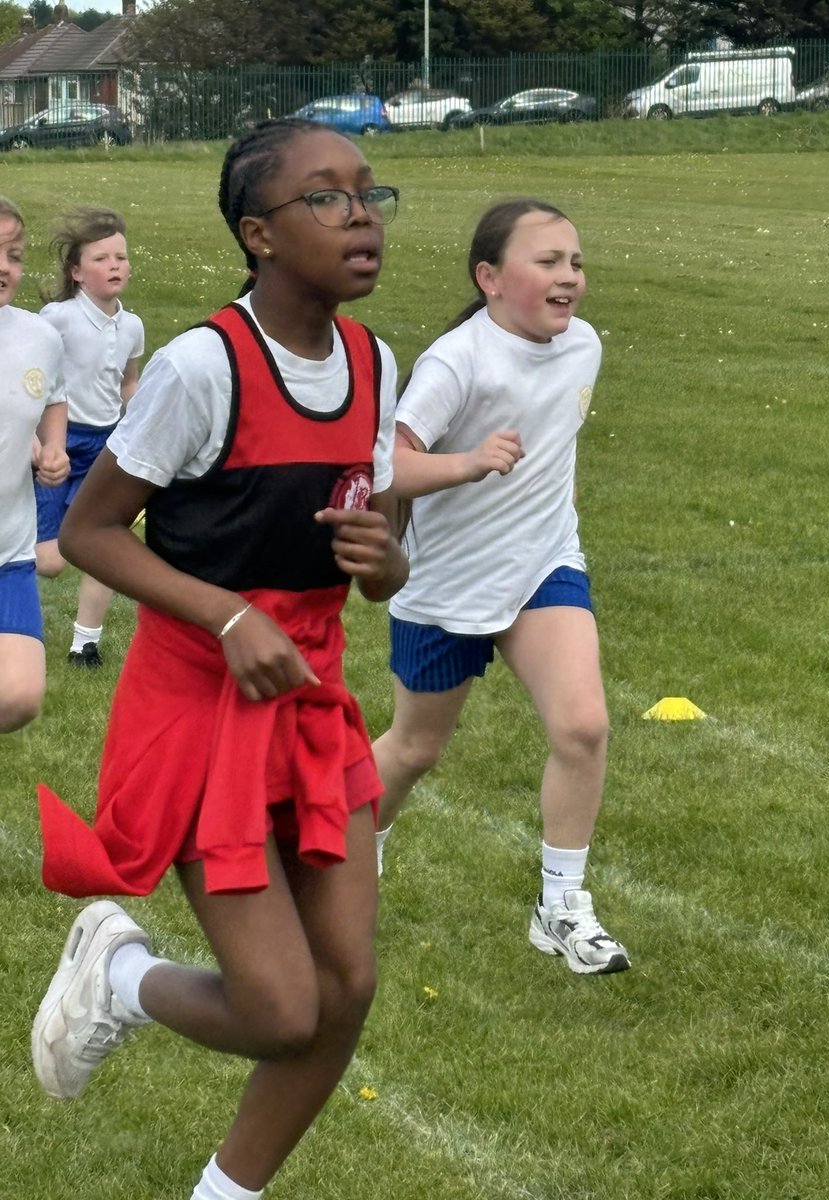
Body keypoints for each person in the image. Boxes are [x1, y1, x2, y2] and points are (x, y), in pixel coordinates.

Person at [31, 119, 408, 1200]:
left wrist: (384, 556)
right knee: (284, 1009)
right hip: (202, 705)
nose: (362, 215)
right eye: (326, 198)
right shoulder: (206, 366)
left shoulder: (378, 363)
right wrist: (228, 616)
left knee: (347, 990)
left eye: (370, 192)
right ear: (260, 235)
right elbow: (95, 534)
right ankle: (121, 974)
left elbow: (381, 569)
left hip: (311, 700)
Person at [373, 198, 631, 976]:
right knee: (417, 746)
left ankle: (561, 909)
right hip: (447, 584)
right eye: (547, 262)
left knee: (583, 725)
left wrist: (551, 509)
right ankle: (353, 849)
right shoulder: (459, 360)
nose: (570, 277)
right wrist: (469, 462)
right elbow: (388, 462)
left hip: (544, 565)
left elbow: (556, 447)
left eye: (575, 262)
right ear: (489, 278)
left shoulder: (583, 347)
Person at [34, 205, 144, 668]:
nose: (115, 265)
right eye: (102, 258)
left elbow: (128, 383)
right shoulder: (56, 318)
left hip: (106, 446)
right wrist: (38, 445)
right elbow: (30, 378)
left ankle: (85, 645)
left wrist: (138, 419)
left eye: (121, 256)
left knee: (103, 543)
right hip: (58, 442)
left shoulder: (133, 325)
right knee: (51, 561)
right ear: (77, 272)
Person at [0, 196, 69, 733]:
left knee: (19, 697)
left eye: (15, 255)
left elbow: (52, 397)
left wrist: (53, 446)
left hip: (9, 550)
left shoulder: (40, 337)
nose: (5, 266)